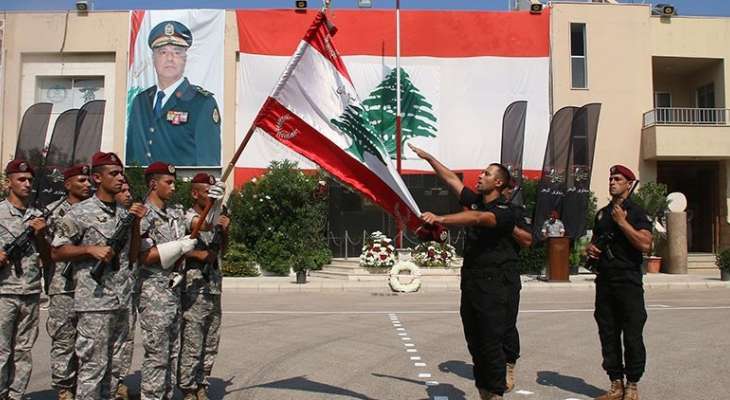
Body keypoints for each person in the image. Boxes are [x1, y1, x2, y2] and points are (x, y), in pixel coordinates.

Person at [410, 143, 517, 400]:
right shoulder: (477, 201)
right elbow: (450, 179)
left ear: (500, 183)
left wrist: (440, 219)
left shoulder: (504, 211)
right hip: (471, 283)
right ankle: (485, 393)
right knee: (475, 341)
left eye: (487, 174)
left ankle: (496, 394)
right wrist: (430, 158)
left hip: (494, 285)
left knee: (490, 342)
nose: (480, 176)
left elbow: (478, 219)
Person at [51, 152, 146, 400]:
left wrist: (135, 224)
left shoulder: (124, 215)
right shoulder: (79, 213)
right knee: (92, 367)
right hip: (94, 302)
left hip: (122, 300)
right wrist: (88, 249)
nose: (119, 178)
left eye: (120, 173)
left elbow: (133, 255)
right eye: (113, 174)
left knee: (115, 369)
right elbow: (57, 251)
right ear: (97, 178)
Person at [586, 165, 652, 400]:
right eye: (611, 178)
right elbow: (595, 242)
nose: (612, 182)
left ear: (628, 184)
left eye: (618, 179)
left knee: (632, 334)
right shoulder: (603, 214)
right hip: (605, 280)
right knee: (608, 333)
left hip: (628, 280)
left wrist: (623, 223)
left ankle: (632, 385)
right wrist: (591, 249)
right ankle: (616, 384)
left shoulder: (636, 212)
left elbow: (645, 244)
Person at [138, 162, 197, 400]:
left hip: (173, 290)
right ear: (153, 184)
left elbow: (203, 223)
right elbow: (143, 255)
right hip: (153, 291)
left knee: (172, 352)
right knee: (157, 354)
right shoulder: (143, 215)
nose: (173, 187)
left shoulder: (174, 213)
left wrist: (214, 202)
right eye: (168, 182)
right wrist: (177, 247)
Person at [126, 20, 221, 167]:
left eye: (177, 52)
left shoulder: (202, 103)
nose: (170, 59)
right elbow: (131, 156)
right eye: (163, 52)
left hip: (182, 187)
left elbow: (208, 162)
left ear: (185, 59)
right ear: (153, 58)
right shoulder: (140, 101)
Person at [0, 160, 52, 400]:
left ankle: (16, 394)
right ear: (8, 182)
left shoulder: (37, 217)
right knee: (1, 351)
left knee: (23, 350)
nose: (27, 184)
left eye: (30, 180)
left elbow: (47, 255)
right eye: (21, 179)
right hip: (4, 291)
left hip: (30, 292)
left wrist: (41, 234)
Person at [178, 173, 228, 400]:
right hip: (193, 288)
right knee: (192, 340)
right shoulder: (185, 217)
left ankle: (202, 383)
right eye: (206, 191)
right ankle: (188, 388)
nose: (210, 195)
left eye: (213, 191)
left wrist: (225, 230)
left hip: (213, 287)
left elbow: (222, 249)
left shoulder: (217, 217)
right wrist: (200, 254)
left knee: (211, 340)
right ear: (194, 193)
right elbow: (179, 248)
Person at [45, 164, 92, 400]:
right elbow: (49, 250)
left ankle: (84, 386)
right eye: (82, 180)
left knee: (88, 340)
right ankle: (64, 389)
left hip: (89, 285)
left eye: (88, 180)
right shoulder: (54, 213)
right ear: (67, 185)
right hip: (63, 285)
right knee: (64, 338)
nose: (87, 184)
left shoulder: (95, 210)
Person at [501, 182, 532, 393]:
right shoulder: (481, 210)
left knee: (507, 324)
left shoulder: (517, 212)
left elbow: (527, 240)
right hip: (483, 278)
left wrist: (507, 224)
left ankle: (508, 366)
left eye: (508, 188)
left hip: (507, 276)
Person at [111, 176, 136, 400]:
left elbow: (135, 254)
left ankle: (118, 382)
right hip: (102, 294)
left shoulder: (129, 218)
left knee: (125, 340)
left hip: (127, 289)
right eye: (123, 190)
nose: (127, 193)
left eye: (129, 189)